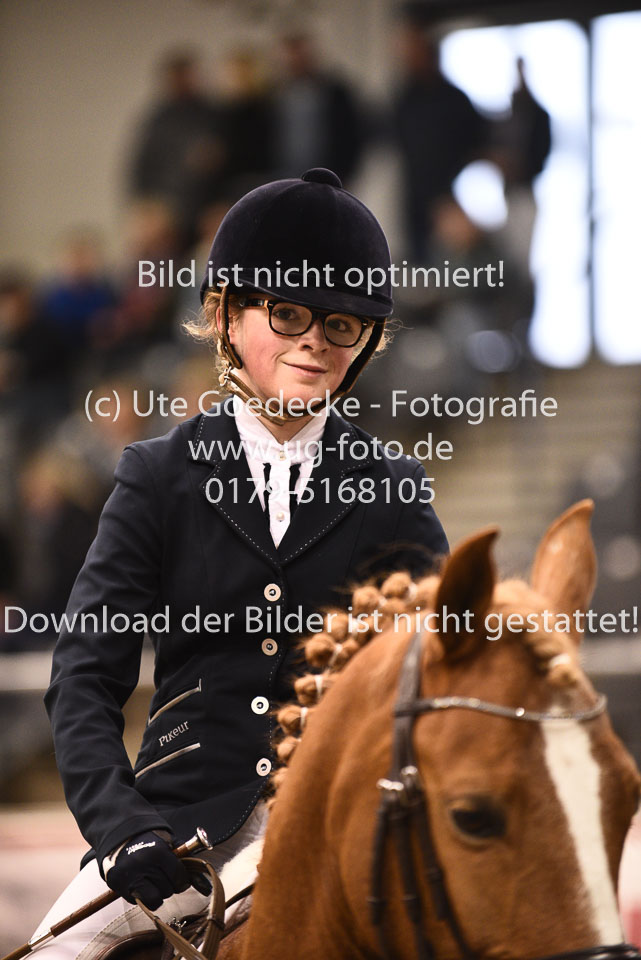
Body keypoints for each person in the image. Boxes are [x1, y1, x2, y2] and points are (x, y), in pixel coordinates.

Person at [32, 167, 447, 956]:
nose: (313, 341)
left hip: (341, 822)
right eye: (286, 314)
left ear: (364, 343)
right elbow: (85, 675)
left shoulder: (392, 487)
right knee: (57, 951)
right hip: (182, 833)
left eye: (341, 325)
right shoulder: (156, 475)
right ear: (224, 316)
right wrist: (121, 828)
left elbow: (442, 664)